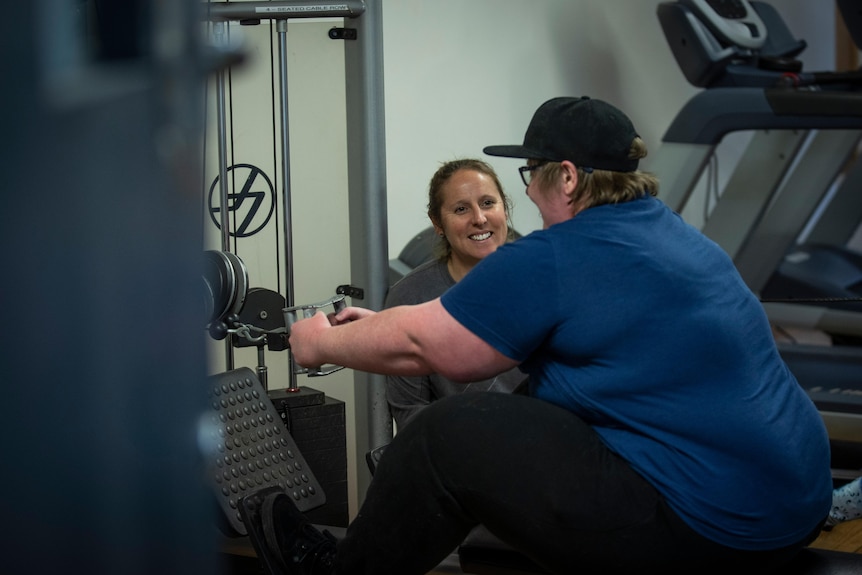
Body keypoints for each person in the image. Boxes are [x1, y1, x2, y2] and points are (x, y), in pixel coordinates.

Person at [267, 96, 832, 575]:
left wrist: (317, 341)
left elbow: (431, 347)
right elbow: (446, 324)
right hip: (793, 504)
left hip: (715, 526)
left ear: (563, 175)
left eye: (528, 175)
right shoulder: (672, 233)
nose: (530, 196)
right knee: (527, 408)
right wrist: (380, 325)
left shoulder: (560, 254)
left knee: (449, 432)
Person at [383, 158, 527, 429]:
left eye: (488, 203)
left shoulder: (541, 277)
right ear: (438, 223)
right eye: (461, 209)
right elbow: (409, 410)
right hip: (462, 451)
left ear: (504, 209)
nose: (479, 219)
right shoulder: (412, 295)